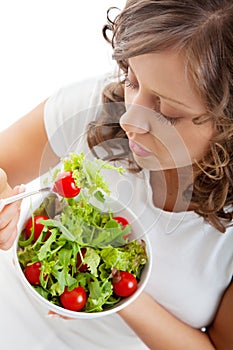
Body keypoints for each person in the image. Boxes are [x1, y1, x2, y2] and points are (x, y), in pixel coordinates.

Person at [0, 0, 232, 349]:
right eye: (133, 80)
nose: (128, 120)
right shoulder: (97, 105)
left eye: (167, 113)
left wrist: (121, 287)